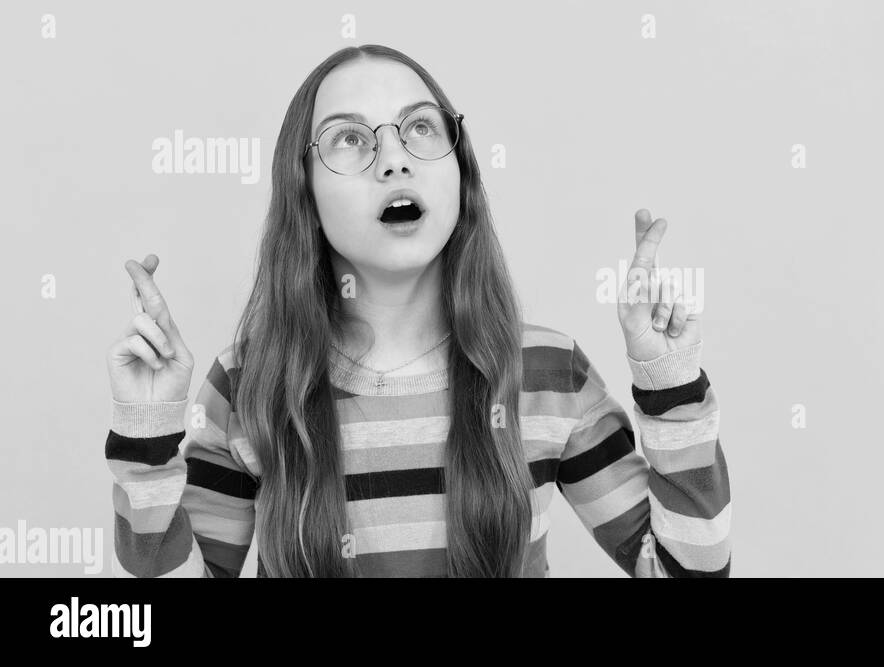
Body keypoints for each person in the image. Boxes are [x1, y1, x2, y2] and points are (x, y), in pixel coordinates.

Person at [102, 44, 729, 577]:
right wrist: (146, 434)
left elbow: (682, 570)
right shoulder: (249, 385)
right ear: (304, 190)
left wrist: (670, 386)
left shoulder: (546, 373)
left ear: (461, 171)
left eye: (420, 128)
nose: (395, 158)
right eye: (350, 139)